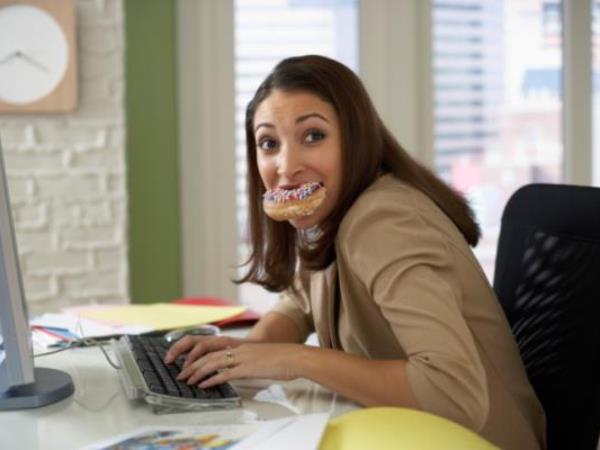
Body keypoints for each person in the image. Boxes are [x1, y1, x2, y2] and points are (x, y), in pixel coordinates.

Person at [165, 55, 545, 449]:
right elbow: (301, 302)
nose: (286, 166)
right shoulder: (330, 211)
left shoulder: (383, 219)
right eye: (269, 143)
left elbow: (452, 391)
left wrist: (295, 359)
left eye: (313, 135)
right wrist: (244, 351)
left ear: (355, 137)